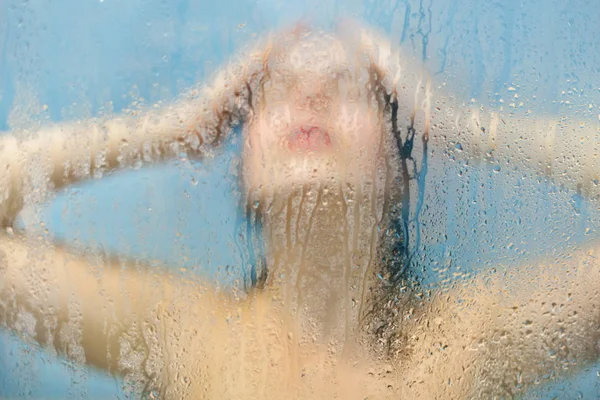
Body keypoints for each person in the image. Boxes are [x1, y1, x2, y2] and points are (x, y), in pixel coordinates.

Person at [1, 21, 599, 399]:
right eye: (273, 95)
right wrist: (177, 126)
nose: (310, 97)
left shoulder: (473, 341)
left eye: (351, 91)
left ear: (401, 169)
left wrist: (464, 125)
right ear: (243, 168)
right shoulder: (180, 332)